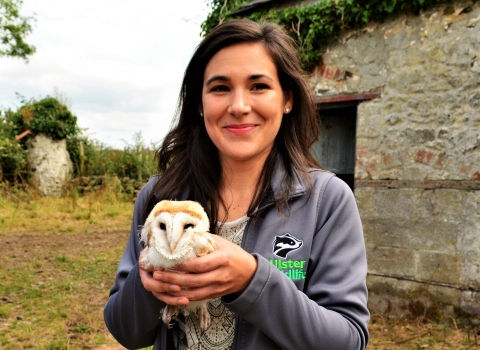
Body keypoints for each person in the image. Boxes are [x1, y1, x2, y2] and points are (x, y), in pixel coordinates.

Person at [104, 19, 369, 350]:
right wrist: (150, 280)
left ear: (287, 99)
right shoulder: (161, 199)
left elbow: (347, 341)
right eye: (220, 88)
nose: (239, 106)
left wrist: (252, 281)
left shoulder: (327, 202)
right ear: (199, 104)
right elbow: (125, 331)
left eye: (258, 86)